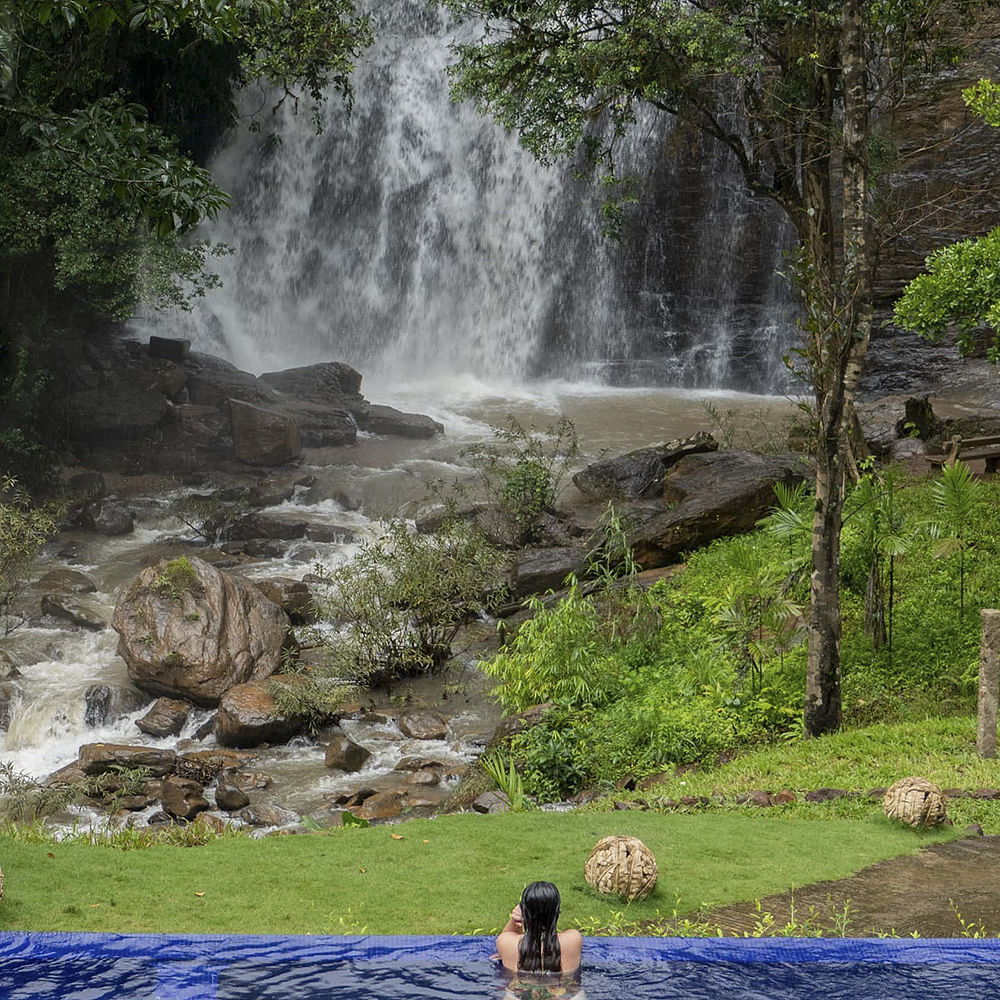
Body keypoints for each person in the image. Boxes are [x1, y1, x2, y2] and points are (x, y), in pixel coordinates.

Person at [495, 881, 582, 976]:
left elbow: (504, 941)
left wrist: (515, 919)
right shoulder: (573, 939)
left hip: (519, 989)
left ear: (524, 911)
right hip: (563, 989)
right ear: (556, 912)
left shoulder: (506, 943)